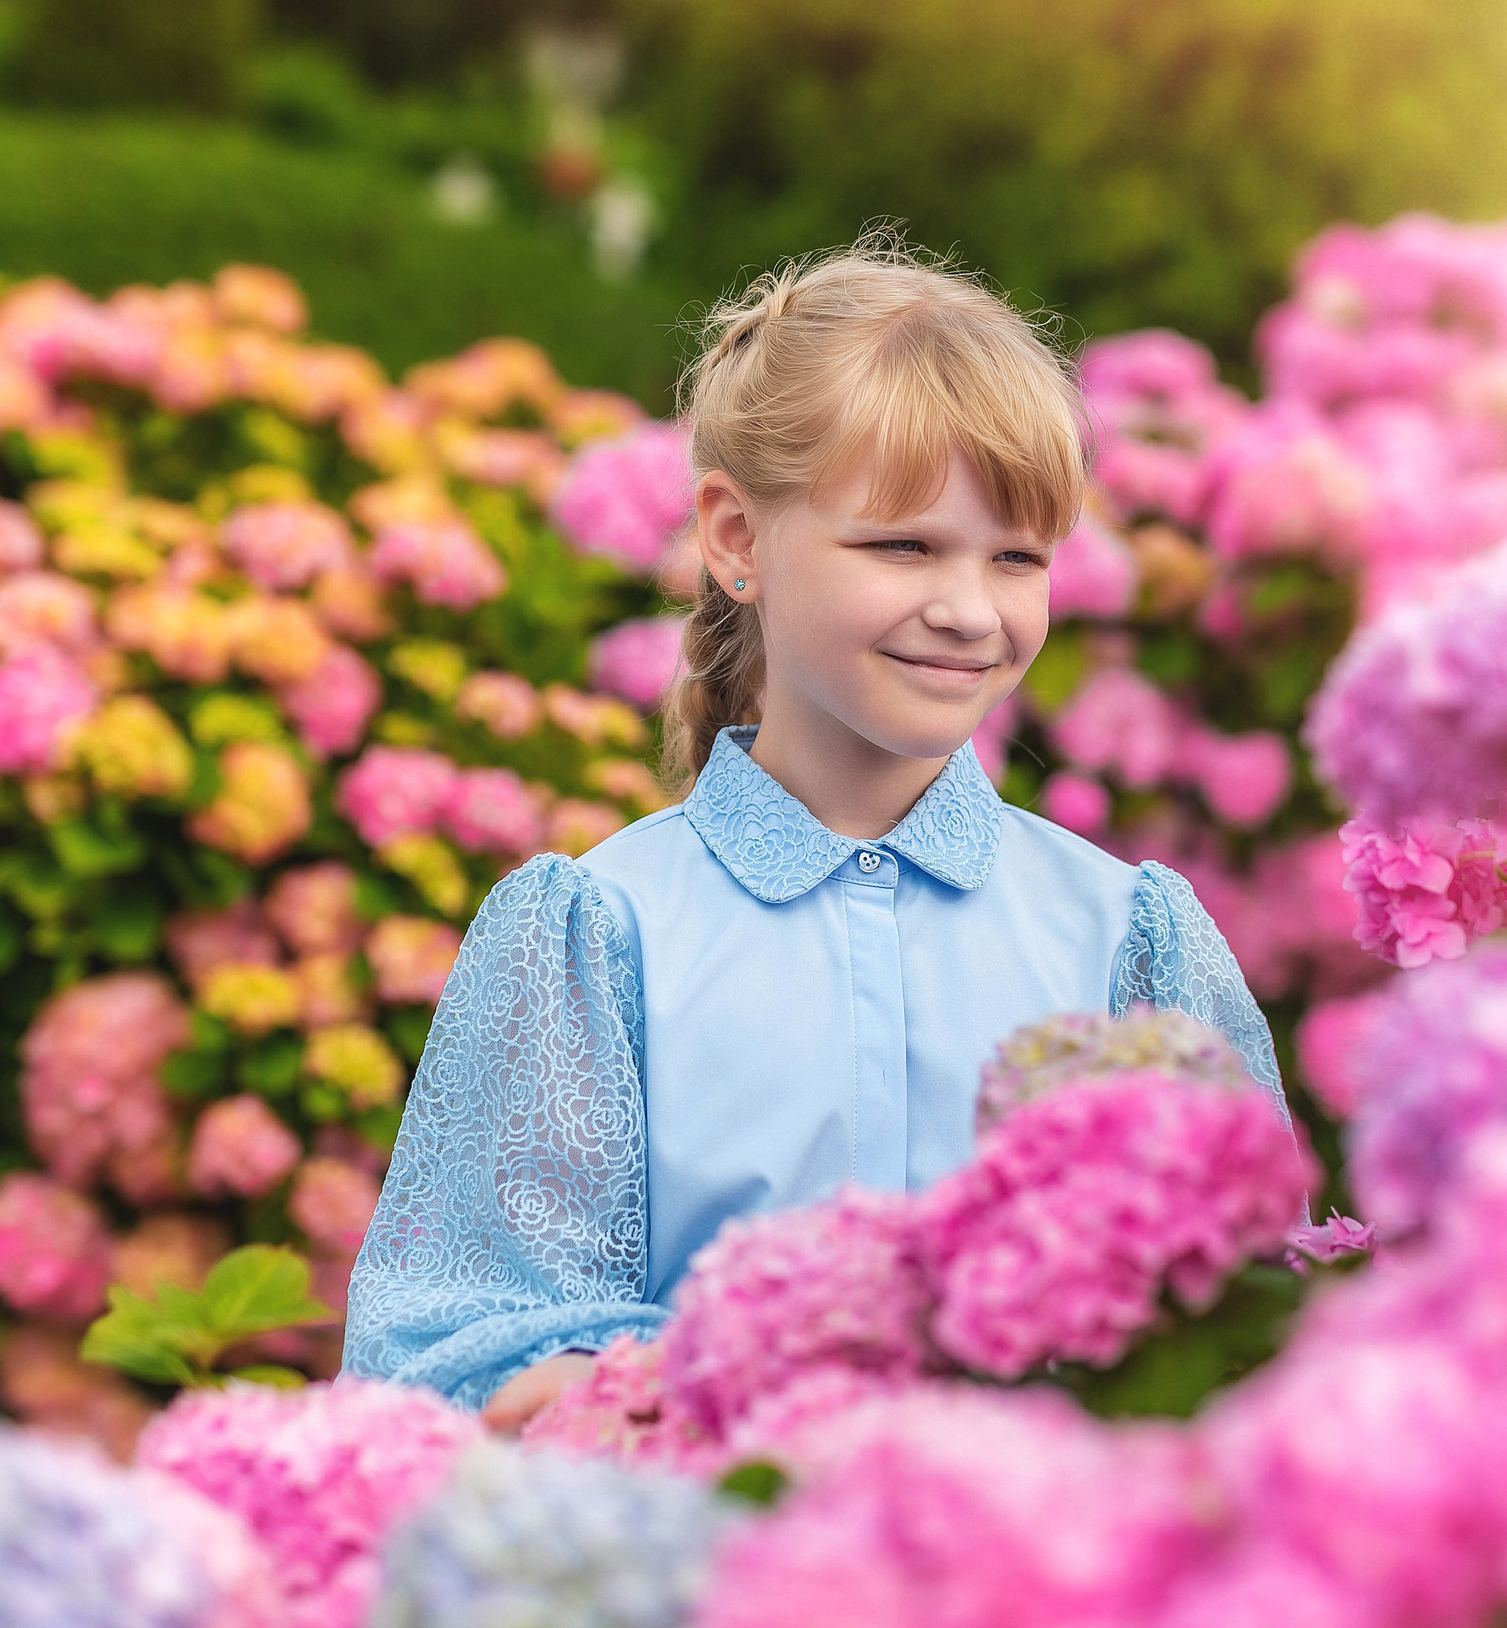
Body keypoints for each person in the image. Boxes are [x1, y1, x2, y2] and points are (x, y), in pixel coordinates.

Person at [343, 243, 1278, 1430]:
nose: (969, 609)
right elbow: (459, 1340)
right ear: (736, 537)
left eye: (1017, 558)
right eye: (904, 545)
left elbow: (1241, 1311)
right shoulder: (594, 931)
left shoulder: (1129, 937)